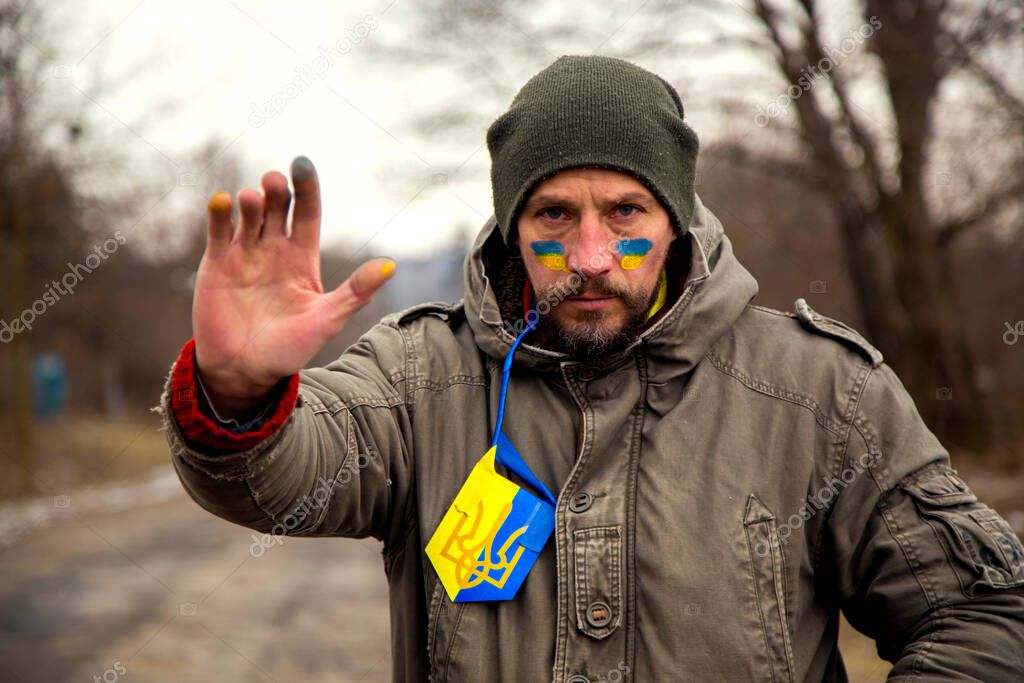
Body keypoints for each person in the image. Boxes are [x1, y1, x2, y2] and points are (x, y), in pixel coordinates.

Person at [161, 55, 1024, 681]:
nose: (590, 253)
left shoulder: (825, 393)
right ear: (510, 228)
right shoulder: (421, 376)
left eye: (625, 211)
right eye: (553, 213)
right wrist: (238, 390)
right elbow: (284, 475)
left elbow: (986, 613)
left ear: (676, 218)